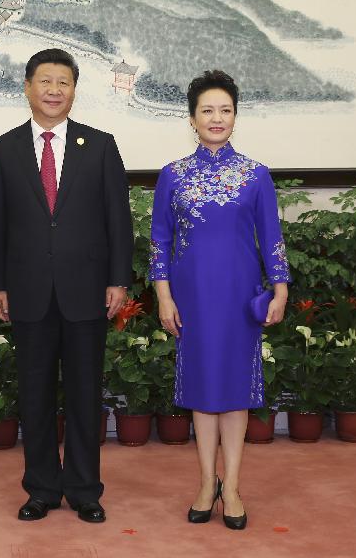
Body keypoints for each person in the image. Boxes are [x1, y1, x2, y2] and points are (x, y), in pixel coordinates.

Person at [0, 48, 133, 524]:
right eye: (44, 81)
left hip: (87, 290)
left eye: (63, 82)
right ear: (27, 87)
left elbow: (118, 222)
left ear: (73, 90)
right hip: (28, 291)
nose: (53, 90)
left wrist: (117, 279)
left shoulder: (101, 145)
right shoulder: (3, 148)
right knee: (35, 395)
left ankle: (85, 489)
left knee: (86, 396)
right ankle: (42, 488)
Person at [148, 69, 290, 531]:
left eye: (225, 110)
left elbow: (272, 237)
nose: (216, 118)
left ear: (235, 116)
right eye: (207, 110)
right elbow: (159, 242)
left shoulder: (256, 174)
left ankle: (232, 486)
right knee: (201, 392)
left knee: (235, 394)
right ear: (191, 118)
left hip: (238, 297)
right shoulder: (172, 175)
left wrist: (281, 288)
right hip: (191, 299)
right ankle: (206, 483)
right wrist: (163, 297)